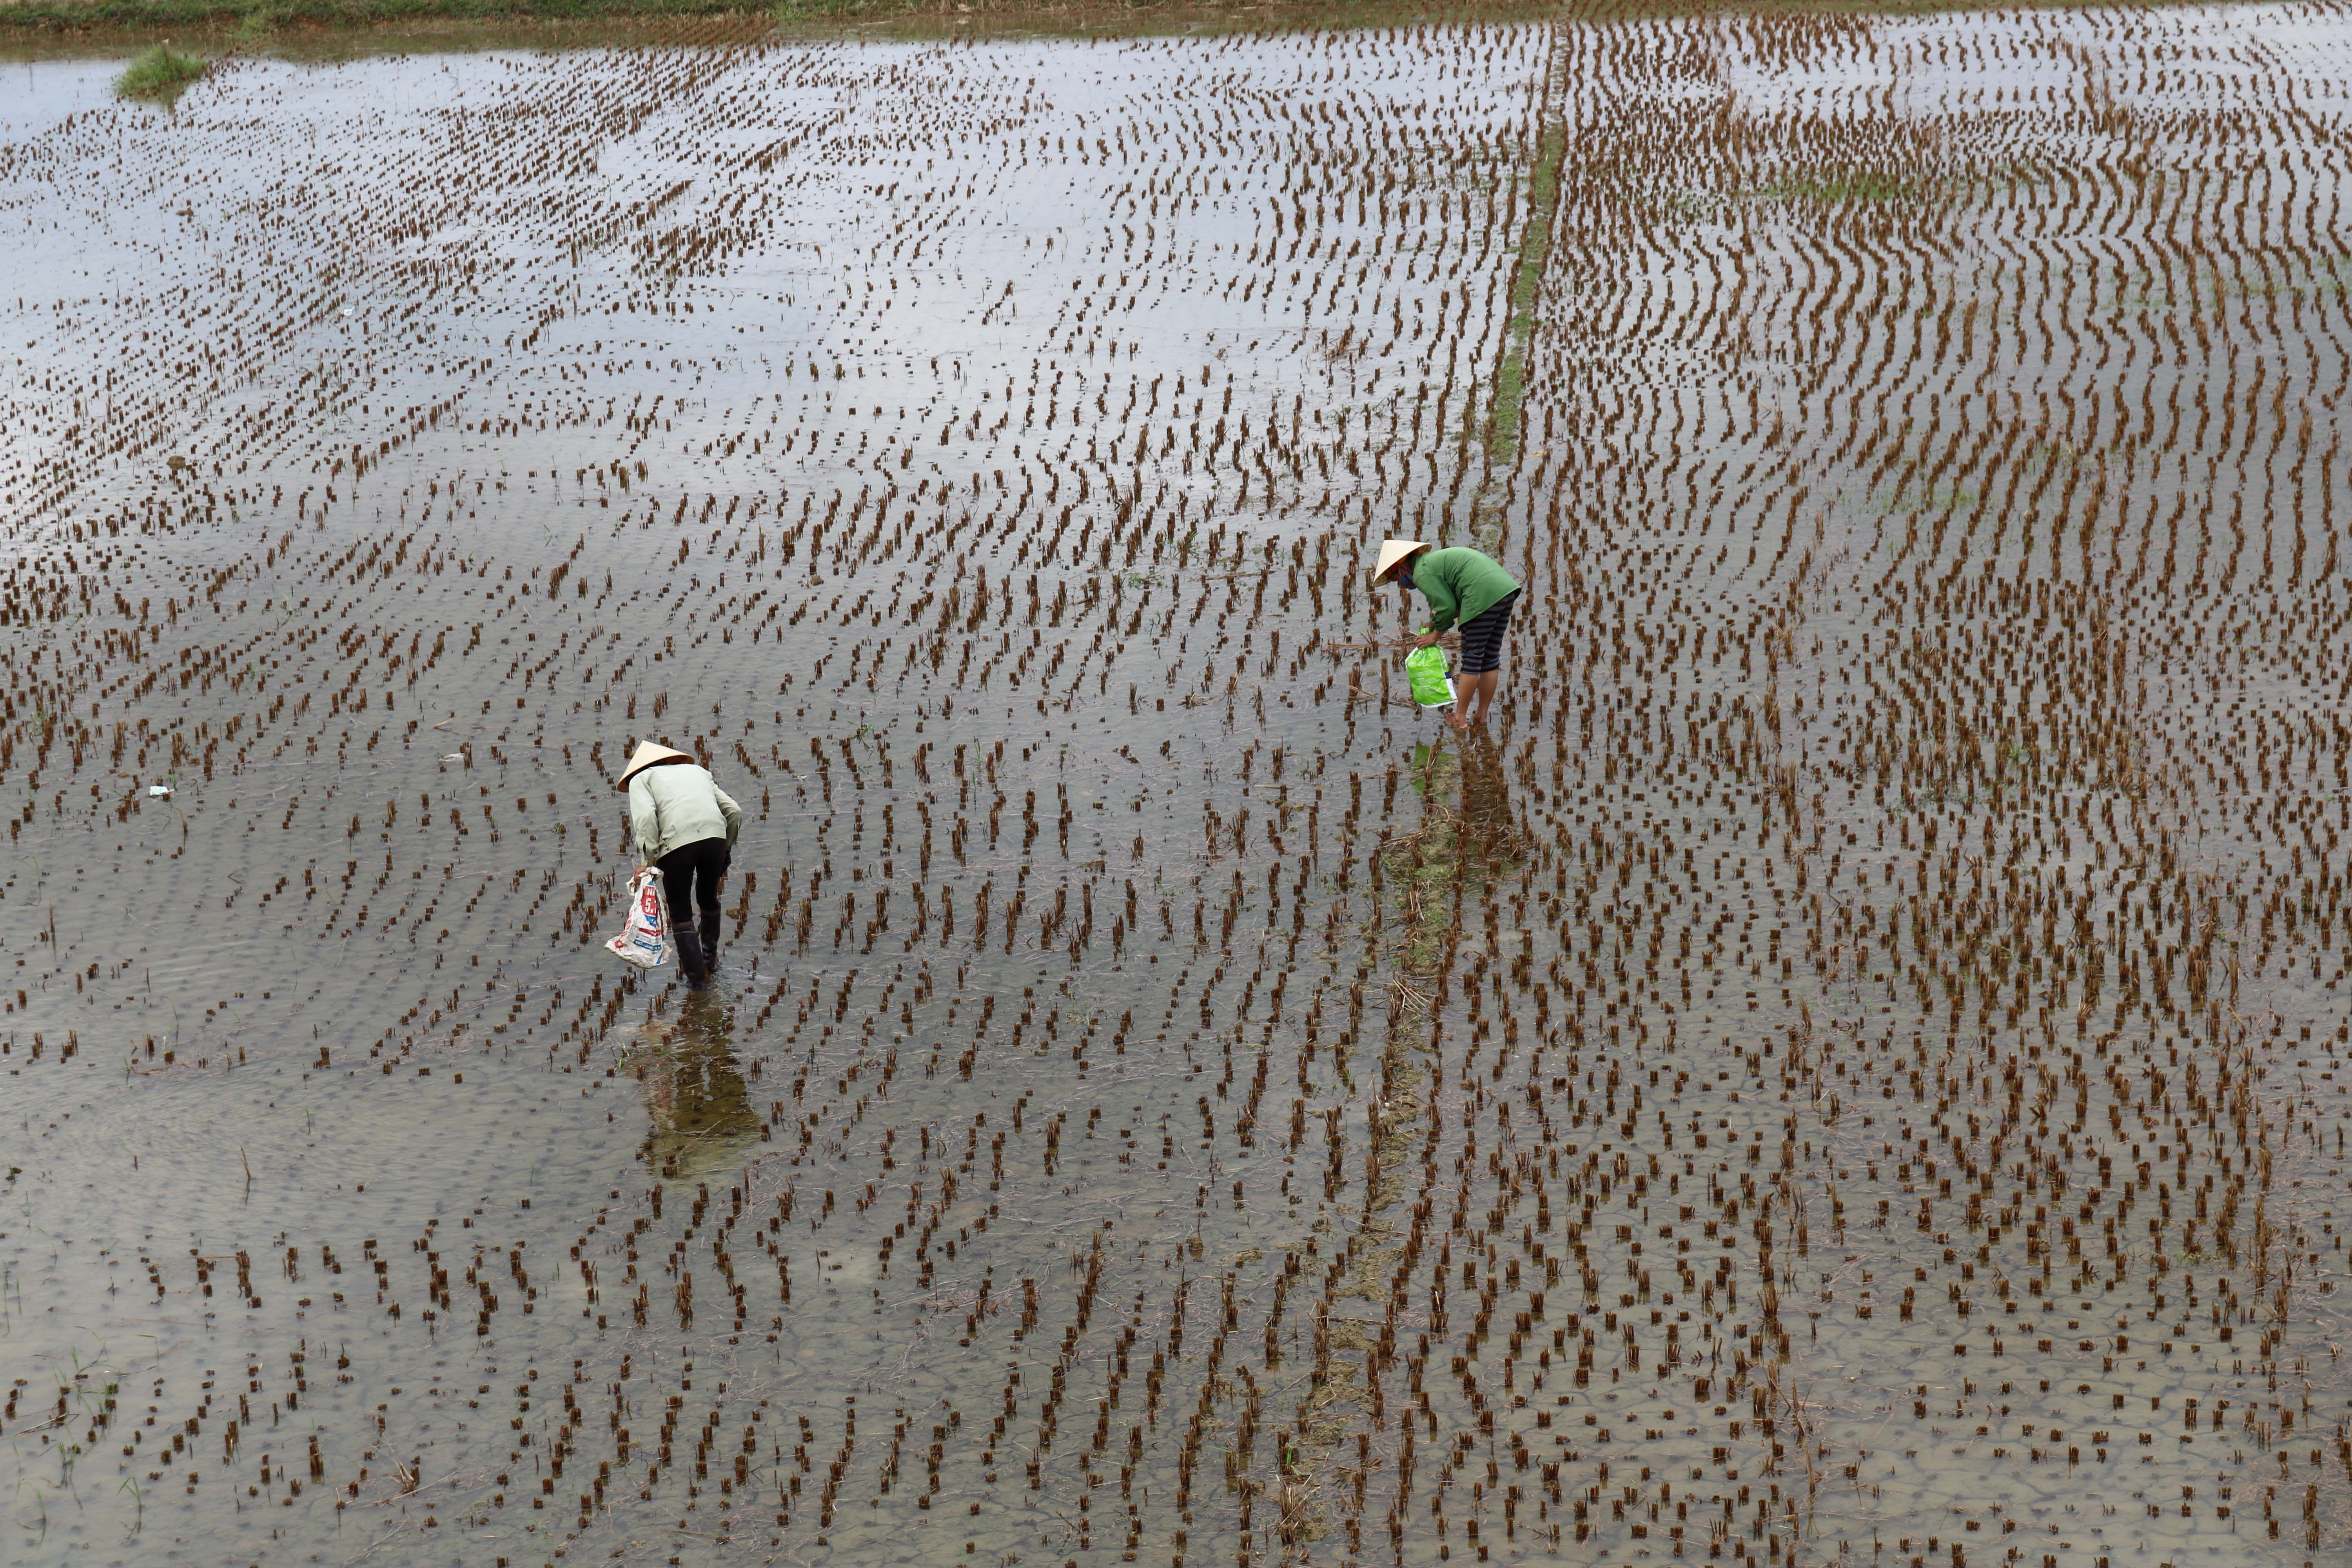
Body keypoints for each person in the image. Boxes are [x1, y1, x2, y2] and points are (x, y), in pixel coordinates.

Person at [616, 741, 742, 990]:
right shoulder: (699, 772)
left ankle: (698, 984)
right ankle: (710, 964)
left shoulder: (642, 779)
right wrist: (725, 849)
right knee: (708, 900)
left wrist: (647, 864)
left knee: (682, 914)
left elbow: (647, 821)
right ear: (668, 760)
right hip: (715, 838)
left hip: (677, 846)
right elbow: (734, 811)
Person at [1369, 540, 1521, 731]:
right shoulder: (1430, 563)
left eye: (1395, 579)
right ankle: (1481, 715)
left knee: (1473, 660)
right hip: (1504, 590)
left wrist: (1435, 636)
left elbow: (1448, 607)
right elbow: (1455, 603)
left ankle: (1460, 718)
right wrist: (1435, 623)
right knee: (1490, 658)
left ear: (1400, 568)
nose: (1401, 584)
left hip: (1481, 595)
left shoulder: (1422, 573)